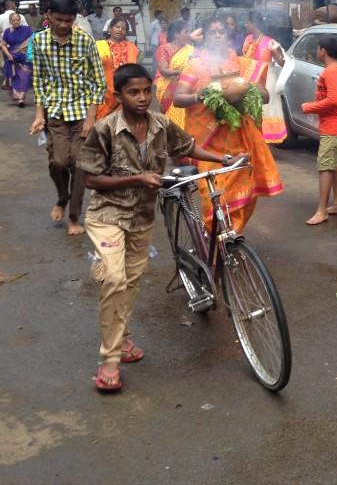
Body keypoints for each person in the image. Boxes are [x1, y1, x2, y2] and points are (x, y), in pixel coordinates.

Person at [79, 63, 238, 392]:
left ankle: (121, 338)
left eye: (146, 91)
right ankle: (109, 359)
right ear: (118, 95)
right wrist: (138, 178)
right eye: (133, 92)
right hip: (108, 214)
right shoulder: (105, 129)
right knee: (113, 277)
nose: (141, 98)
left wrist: (219, 159)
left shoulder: (161, 124)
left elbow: (186, 147)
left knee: (131, 282)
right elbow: (91, 179)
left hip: (141, 218)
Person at [172, 16, 284, 232]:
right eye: (212, 32)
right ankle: (215, 248)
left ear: (228, 36)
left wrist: (245, 88)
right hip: (208, 146)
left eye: (221, 32)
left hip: (240, 143)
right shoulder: (194, 66)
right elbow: (179, 99)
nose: (216, 35)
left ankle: (230, 240)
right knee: (213, 199)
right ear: (205, 37)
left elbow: (266, 96)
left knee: (246, 195)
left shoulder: (243, 66)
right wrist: (200, 96)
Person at [29, 0, 105, 236]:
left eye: (68, 20)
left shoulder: (85, 41)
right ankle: (62, 196)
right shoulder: (39, 42)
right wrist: (39, 114)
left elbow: (98, 82)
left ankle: (74, 216)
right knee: (59, 162)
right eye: (59, 19)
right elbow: (39, 81)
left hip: (82, 112)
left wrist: (91, 118)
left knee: (80, 165)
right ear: (49, 16)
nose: (64, 25)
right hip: (56, 113)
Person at [302, 35, 337, 225]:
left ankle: (322, 210)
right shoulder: (334, 69)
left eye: (317, 48)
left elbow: (332, 100)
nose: (317, 51)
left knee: (325, 166)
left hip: (335, 124)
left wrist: (309, 107)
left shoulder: (331, 71)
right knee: (336, 165)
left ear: (323, 50)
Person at [241, 11, 287, 144]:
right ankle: (252, 141)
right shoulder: (248, 39)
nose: (245, 25)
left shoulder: (270, 42)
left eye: (247, 22)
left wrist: (276, 50)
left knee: (266, 110)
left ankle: (264, 143)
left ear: (253, 24)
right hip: (250, 80)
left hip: (267, 82)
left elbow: (282, 63)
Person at [95, 18, 140, 120]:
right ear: (110, 29)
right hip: (104, 93)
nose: (120, 30)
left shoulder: (132, 47)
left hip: (126, 93)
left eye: (123, 28)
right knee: (103, 126)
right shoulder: (98, 45)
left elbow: (135, 70)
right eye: (117, 27)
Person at [155, 19, 195, 130]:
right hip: (168, 87)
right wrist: (181, 72)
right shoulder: (164, 48)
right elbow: (163, 70)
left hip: (186, 86)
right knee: (171, 118)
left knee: (186, 115)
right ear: (176, 34)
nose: (189, 35)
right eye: (186, 32)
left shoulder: (191, 49)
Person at [0, 12, 34, 107]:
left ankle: (21, 97)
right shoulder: (7, 31)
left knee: (24, 77)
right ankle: (19, 98)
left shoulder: (27, 30)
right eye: (13, 20)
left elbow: (32, 41)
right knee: (14, 78)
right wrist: (8, 55)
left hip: (25, 57)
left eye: (17, 20)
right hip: (12, 58)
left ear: (20, 20)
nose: (16, 22)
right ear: (10, 21)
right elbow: (3, 45)